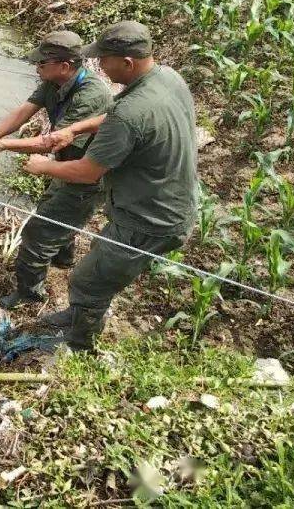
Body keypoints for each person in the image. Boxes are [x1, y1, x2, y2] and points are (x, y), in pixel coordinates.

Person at [21, 21, 198, 352]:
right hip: (173, 203)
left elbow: (88, 172)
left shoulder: (131, 112)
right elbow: (118, 114)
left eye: (104, 59)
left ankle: (79, 346)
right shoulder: (166, 79)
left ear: (127, 63)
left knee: (87, 280)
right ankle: (79, 314)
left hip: (150, 219)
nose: (98, 65)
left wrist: (43, 166)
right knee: (96, 274)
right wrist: (76, 129)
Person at [0, 31, 113, 308]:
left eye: (42, 64)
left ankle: (29, 296)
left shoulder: (91, 95)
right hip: (66, 164)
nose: (37, 68)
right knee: (60, 216)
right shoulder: (54, 81)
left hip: (87, 175)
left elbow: (49, 142)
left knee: (38, 233)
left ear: (65, 66)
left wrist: (3, 146)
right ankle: (63, 258)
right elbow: (25, 110)